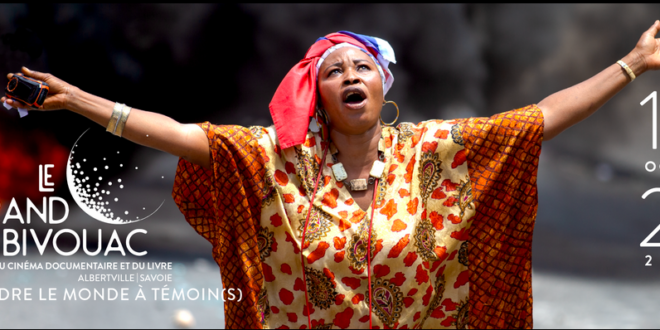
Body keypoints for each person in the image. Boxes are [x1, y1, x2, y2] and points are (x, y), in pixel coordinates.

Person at [4, 22, 660, 329]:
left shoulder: (436, 149)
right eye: (332, 70)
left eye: (361, 66)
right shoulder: (274, 159)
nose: (349, 74)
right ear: (315, 96)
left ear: (384, 84)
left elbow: (536, 119)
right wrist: (77, 100)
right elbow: (178, 135)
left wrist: (630, 64)